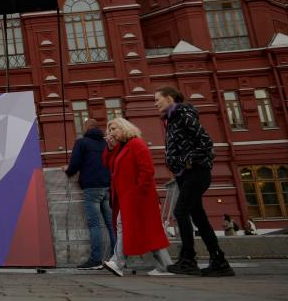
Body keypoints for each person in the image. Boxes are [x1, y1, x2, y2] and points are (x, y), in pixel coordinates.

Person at [155, 86, 234, 277]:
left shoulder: (183, 114)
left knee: (180, 211)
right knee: (199, 217)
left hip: (195, 172)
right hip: (186, 174)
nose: (155, 103)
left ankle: (188, 259)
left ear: (170, 98)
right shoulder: (172, 119)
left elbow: (205, 142)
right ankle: (219, 261)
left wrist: (186, 161)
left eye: (158, 99)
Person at [101, 117, 174, 277]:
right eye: (109, 130)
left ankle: (117, 262)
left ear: (124, 128)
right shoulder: (121, 147)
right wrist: (110, 147)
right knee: (149, 232)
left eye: (114, 129)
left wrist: (138, 193)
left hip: (138, 197)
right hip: (128, 197)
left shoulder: (136, 143)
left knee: (125, 226)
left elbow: (147, 170)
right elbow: (107, 163)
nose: (111, 132)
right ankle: (165, 266)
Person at [65, 119, 116, 270]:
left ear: (86, 128)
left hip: (91, 187)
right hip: (107, 187)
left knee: (94, 224)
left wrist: (67, 171)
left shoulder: (82, 143)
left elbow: (75, 164)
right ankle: (116, 258)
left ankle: (95, 259)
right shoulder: (106, 143)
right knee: (110, 224)